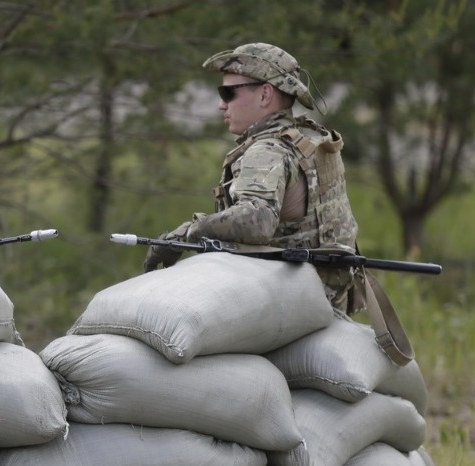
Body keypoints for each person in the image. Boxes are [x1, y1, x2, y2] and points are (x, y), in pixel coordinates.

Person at [143, 42, 362, 314]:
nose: (221, 104)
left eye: (228, 93)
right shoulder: (308, 137)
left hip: (292, 301)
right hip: (331, 296)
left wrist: (189, 232)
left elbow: (257, 221)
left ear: (265, 95)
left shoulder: (267, 150)